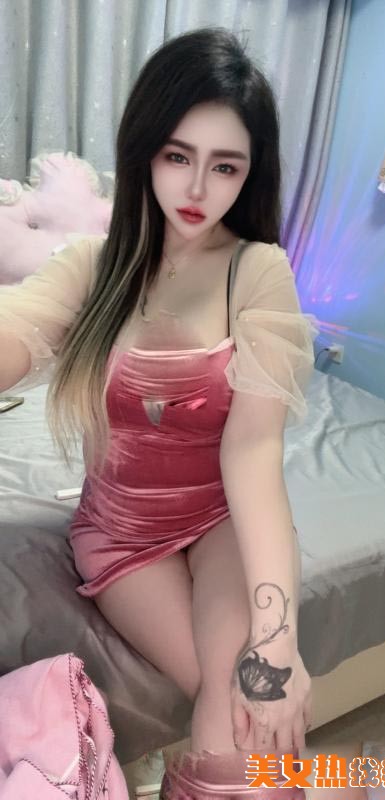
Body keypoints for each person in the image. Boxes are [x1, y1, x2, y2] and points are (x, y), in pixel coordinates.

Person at [0, 26, 320, 798]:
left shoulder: (257, 272)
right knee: (236, 706)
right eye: (178, 156)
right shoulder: (93, 266)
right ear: (144, 150)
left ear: (251, 173)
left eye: (225, 166)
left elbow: (252, 456)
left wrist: (280, 641)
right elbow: (17, 330)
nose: (197, 189)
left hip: (218, 521)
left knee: (254, 692)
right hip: (123, 535)